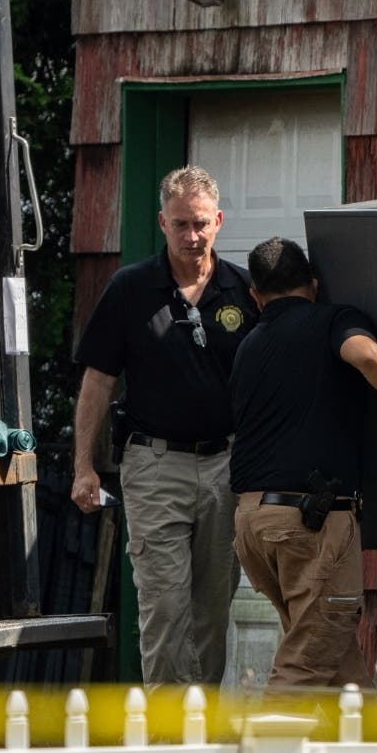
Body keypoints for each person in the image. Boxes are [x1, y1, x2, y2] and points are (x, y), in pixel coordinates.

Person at [229, 236, 377, 688]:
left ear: (255, 297)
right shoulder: (333, 321)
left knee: (336, 660)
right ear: (314, 284)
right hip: (309, 524)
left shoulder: (248, 347)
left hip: (253, 522)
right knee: (306, 666)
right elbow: (368, 357)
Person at [71, 166, 258, 684]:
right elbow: (98, 380)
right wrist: (83, 466)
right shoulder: (131, 288)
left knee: (212, 610)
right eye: (180, 224)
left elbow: (270, 383)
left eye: (200, 223)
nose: (191, 236)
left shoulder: (244, 291)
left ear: (218, 221)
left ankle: (206, 742)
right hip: (155, 465)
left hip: (227, 465)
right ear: (161, 223)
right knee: (165, 608)